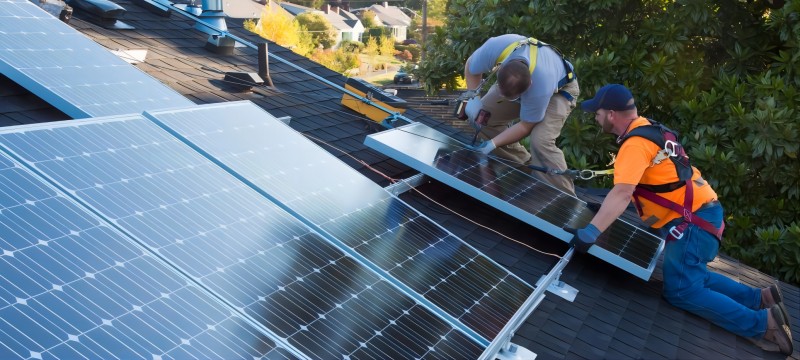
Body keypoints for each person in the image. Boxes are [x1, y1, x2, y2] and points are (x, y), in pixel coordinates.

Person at [570, 84, 793, 355]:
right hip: (704, 213)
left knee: (682, 291)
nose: (595, 116)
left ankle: (763, 325)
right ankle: (759, 298)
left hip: (692, 224)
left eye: (598, 111)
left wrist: (591, 232)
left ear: (612, 114)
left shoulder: (634, 145)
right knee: (693, 274)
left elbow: (623, 192)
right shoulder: (650, 128)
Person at [461, 34, 579, 195]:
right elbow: (471, 66)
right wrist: (473, 96)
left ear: (529, 85)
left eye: (512, 98)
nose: (505, 99)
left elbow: (525, 126)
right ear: (501, 70)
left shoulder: (540, 87)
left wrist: (493, 144)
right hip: (520, 81)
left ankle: (565, 197)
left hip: (559, 91)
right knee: (482, 118)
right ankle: (525, 168)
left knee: (540, 141)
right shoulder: (495, 48)